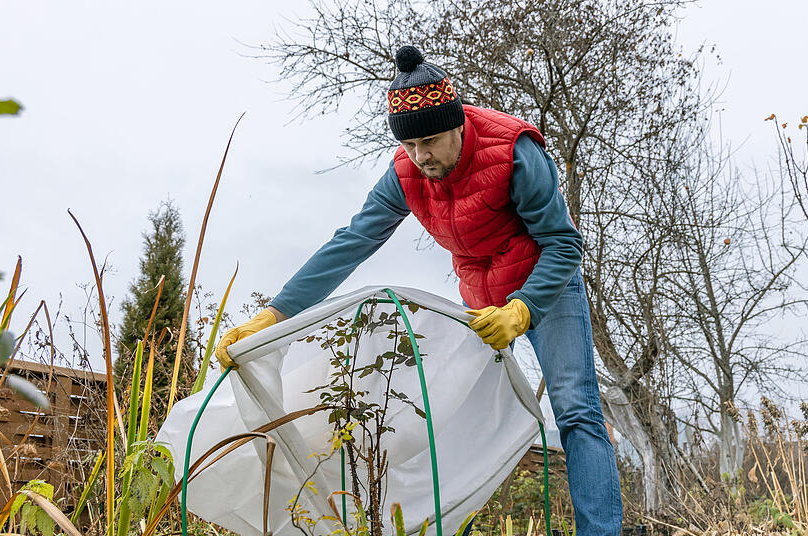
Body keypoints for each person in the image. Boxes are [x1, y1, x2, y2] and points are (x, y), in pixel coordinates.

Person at [215, 45, 623, 534]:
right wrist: (277, 313)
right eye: (409, 146)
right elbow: (352, 241)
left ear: (459, 126)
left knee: (575, 409)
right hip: (480, 291)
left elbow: (563, 244)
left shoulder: (513, 151)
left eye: (429, 141)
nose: (421, 156)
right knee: (457, 423)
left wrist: (523, 309)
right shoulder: (406, 173)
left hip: (544, 285)